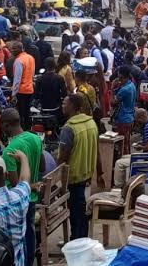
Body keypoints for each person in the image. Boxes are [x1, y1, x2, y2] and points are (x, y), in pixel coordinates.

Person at [1, 109, 45, 266]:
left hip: (18, 202)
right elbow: (42, 167)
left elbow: (16, 187)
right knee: (29, 234)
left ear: (6, 126)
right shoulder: (35, 138)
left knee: (20, 238)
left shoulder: (9, 151)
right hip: (32, 198)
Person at [58, 94, 98, 240]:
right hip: (86, 172)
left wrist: (57, 179)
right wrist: (99, 172)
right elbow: (97, 150)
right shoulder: (91, 123)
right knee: (80, 209)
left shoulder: (69, 129)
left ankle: (77, 240)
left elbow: (63, 157)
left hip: (73, 176)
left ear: (73, 107)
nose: (63, 106)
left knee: (75, 211)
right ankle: (81, 238)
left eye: (65, 103)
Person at [113, 108, 148, 188]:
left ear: (140, 118)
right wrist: (142, 143)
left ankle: (119, 186)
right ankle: (122, 184)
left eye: (137, 120)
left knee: (119, 163)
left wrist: (140, 147)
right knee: (123, 157)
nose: (137, 123)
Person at [111, 66, 136, 155]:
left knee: (122, 144)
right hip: (130, 117)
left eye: (120, 77)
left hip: (122, 119)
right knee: (126, 142)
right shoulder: (131, 85)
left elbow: (113, 102)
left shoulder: (124, 89)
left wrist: (112, 88)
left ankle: (123, 163)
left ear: (122, 76)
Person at [11, 41, 35, 130]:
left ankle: (22, 131)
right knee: (27, 113)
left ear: (20, 49)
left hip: (21, 91)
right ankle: (29, 129)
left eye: (14, 48)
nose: (12, 50)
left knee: (21, 115)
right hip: (30, 90)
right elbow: (32, 74)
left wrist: (13, 94)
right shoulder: (30, 58)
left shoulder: (19, 60)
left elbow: (17, 79)